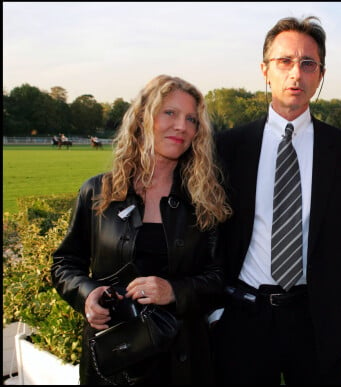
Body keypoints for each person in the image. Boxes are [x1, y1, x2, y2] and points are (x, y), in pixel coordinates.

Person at [212, 15, 341, 384]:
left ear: (320, 74)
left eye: (307, 63)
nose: (295, 74)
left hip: (317, 322)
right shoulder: (228, 148)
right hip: (243, 319)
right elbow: (211, 235)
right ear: (265, 70)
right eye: (284, 62)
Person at [51, 74, 232, 385]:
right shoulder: (98, 192)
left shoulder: (206, 200)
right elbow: (66, 263)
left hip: (183, 361)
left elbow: (219, 278)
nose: (182, 126)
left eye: (191, 119)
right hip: (115, 359)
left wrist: (173, 291)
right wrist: (87, 293)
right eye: (170, 113)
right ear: (142, 119)